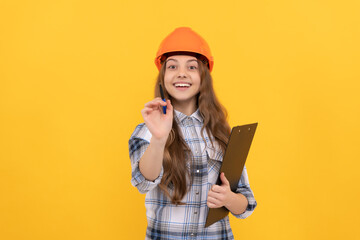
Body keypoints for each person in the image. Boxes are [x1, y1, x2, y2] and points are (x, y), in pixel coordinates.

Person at [128, 27, 257, 240]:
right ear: (163, 77)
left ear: (203, 77)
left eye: (191, 67)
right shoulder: (146, 131)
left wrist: (228, 199)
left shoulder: (220, 132)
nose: (181, 73)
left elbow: (246, 203)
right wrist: (159, 139)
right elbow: (143, 182)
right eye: (172, 66)